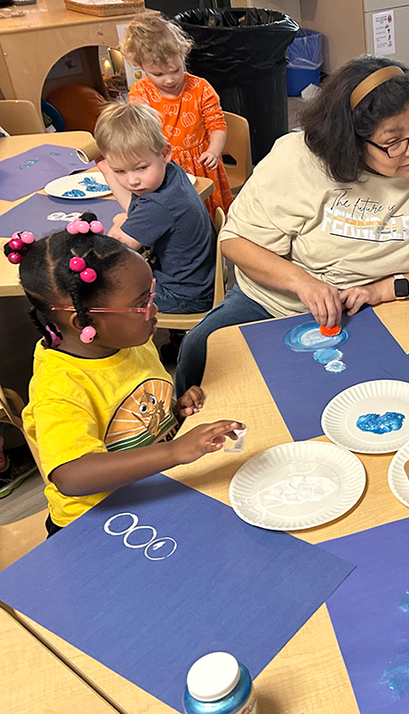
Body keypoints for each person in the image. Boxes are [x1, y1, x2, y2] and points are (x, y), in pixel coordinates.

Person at [173, 55, 409, 395]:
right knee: (199, 349)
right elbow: (235, 241)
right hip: (276, 304)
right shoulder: (296, 158)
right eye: (393, 142)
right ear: (350, 140)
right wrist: (302, 283)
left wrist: (382, 290)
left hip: (390, 309)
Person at [3, 217, 242, 536]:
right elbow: (71, 475)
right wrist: (174, 451)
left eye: (151, 294)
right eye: (142, 303)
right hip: (95, 525)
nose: (154, 309)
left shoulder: (131, 343)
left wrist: (173, 412)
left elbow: (129, 420)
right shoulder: (59, 386)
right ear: (83, 322)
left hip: (150, 490)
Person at [95, 101, 217, 316]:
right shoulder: (170, 172)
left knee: (101, 295)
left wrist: (119, 226)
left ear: (165, 152)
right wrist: (108, 172)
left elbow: (116, 250)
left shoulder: (159, 204)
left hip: (182, 295)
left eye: (141, 168)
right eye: (120, 171)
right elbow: (135, 210)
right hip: (201, 281)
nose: (132, 181)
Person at [120, 11, 232, 215]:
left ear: (183, 56)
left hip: (202, 165)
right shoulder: (141, 93)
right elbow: (139, 134)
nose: (169, 80)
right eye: (158, 74)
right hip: (163, 167)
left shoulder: (201, 88)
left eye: (175, 70)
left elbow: (217, 126)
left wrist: (213, 152)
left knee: (207, 214)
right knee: (174, 215)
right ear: (140, 65)